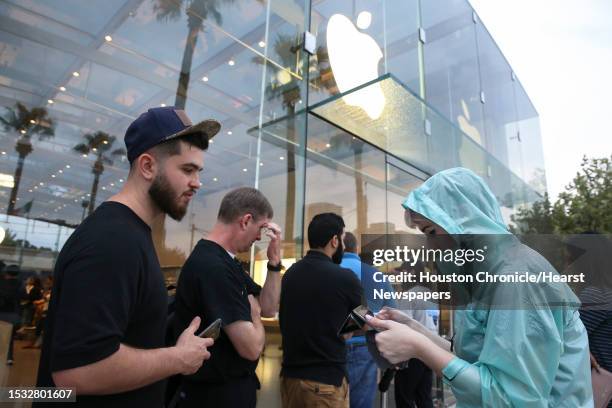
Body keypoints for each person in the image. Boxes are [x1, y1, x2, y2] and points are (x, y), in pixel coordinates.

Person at [35, 107, 220, 407]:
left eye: (199, 171)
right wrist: (178, 358)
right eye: (187, 170)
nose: (197, 182)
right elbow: (75, 373)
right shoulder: (112, 242)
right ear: (147, 166)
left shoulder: (129, 235)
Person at [365, 167, 593, 407]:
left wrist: (418, 346)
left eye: (431, 232)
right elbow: (473, 362)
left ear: (464, 223)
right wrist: (416, 330)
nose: (430, 247)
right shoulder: (489, 276)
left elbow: (512, 399)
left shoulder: (517, 279)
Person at [172, 187, 282, 407]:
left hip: (231, 389)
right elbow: (251, 348)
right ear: (245, 220)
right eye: (260, 228)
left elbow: (269, 307)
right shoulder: (213, 267)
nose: (260, 237)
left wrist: (274, 263)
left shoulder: (229, 264)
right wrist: (254, 312)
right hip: (215, 395)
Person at [279, 213, 362, 408]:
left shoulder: (291, 274)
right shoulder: (345, 277)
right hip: (326, 383)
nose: (341, 244)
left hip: (290, 380)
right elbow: (363, 316)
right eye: (341, 239)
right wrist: (346, 331)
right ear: (334, 241)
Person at [340, 231, 396, 408]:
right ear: (356, 249)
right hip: (365, 346)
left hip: (327, 346)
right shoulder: (377, 275)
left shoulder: (328, 270)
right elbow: (392, 314)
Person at [0, 263, 20, 365]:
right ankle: (9, 357)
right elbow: (24, 296)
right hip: (13, 314)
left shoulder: (1, 283)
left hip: (1, 312)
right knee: (10, 336)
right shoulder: (20, 284)